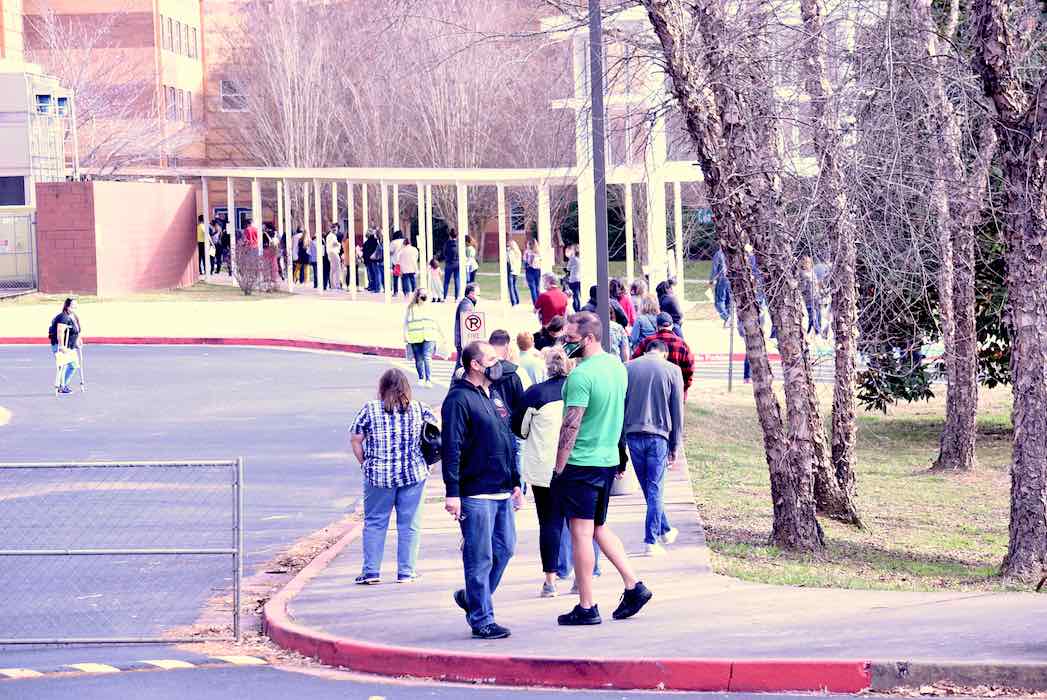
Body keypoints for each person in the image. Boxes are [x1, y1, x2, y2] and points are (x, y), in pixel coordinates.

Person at [553, 312, 652, 625]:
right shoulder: (615, 367)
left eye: (569, 340)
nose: (564, 345)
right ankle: (633, 585)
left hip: (581, 463)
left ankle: (586, 605)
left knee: (580, 533)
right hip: (607, 459)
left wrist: (558, 468)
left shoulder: (580, 377)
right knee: (597, 526)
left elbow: (571, 426)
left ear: (589, 338)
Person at [442, 341, 524, 640]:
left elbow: (507, 438)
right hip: (475, 492)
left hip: (502, 488)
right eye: (490, 359)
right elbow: (451, 446)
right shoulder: (458, 400)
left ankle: (474, 597)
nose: (497, 363)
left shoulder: (495, 395)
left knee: (505, 548)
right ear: (475, 365)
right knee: (480, 556)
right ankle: (481, 619)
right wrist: (452, 492)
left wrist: (516, 481)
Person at [350, 369, 435, 584]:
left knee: (375, 522)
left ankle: (371, 571)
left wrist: (364, 463)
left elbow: (356, 439)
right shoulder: (419, 409)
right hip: (413, 473)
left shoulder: (369, 409)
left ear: (382, 387)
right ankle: (406, 571)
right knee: (409, 523)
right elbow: (435, 435)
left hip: (378, 475)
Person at [512, 346, 571, 597]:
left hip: (544, 468)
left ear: (546, 368)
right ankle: (582, 575)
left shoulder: (535, 394)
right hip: (577, 465)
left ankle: (550, 580)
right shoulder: (578, 391)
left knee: (548, 522)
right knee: (581, 522)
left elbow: (519, 429)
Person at [624, 340, 684, 556]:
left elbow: (621, 404)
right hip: (658, 435)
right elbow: (677, 410)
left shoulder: (628, 367)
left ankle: (665, 529)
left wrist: (620, 442)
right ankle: (651, 540)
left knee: (650, 489)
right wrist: (676, 444)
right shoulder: (672, 370)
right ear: (664, 353)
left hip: (632, 434)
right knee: (655, 489)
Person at [632, 312, 695, 398]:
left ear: (657, 327)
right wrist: (682, 387)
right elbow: (689, 370)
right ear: (672, 326)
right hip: (675, 389)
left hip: (651, 391)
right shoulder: (683, 345)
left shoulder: (647, 342)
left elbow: (634, 362)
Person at [404, 289, 444, 387]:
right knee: (418, 359)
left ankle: (428, 379)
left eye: (426, 295)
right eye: (422, 295)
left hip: (429, 336)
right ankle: (421, 377)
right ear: (417, 296)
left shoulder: (430, 307)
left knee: (427, 357)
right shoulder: (411, 308)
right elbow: (406, 322)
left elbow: (437, 322)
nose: (424, 297)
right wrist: (405, 335)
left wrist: (442, 335)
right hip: (415, 337)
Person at [488, 329, 531, 416]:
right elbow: (528, 401)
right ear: (507, 346)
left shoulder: (480, 370)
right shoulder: (519, 372)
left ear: (489, 345)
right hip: (512, 424)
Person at [48, 297, 82, 395]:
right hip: (61, 346)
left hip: (70, 346)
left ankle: (63, 385)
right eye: (73, 305)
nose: (75, 306)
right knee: (63, 365)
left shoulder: (73, 316)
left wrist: (78, 340)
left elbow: (77, 330)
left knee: (74, 365)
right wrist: (62, 346)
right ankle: (61, 386)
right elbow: (60, 332)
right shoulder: (63, 317)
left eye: (76, 305)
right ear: (67, 306)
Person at [453, 283, 478, 369]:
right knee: (461, 365)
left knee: (461, 364)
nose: (478, 296)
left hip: (462, 340)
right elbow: (467, 325)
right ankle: (455, 381)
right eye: (477, 294)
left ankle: (456, 381)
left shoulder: (467, 303)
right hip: (463, 340)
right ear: (470, 293)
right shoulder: (466, 305)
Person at [709, 243, 732, 326]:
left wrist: (711, 280)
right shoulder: (731, 254)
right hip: (731, 279)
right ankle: (729, 321)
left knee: (719, 302)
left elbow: (714, 268)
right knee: (728, 301)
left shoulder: (719, 254)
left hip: (722, 279)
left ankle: (727, 318)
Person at [800, 255, 821, 336]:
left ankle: (816, 332)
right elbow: (802, 288)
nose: (808, 264)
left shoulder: (812, 272)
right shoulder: (802, 274)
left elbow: (816, 284)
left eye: (809, 262)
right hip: (809, 298)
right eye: (806, 263)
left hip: (816, 297)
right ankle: (814, 331)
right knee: (812, 315)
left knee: (818, 315)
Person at [523, 237, 542, 305]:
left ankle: (536, 304)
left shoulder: (527, 252)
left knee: (532, 288)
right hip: (538, 270)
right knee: (537, 288)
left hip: (530, 270)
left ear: (529, 245)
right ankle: (539, 303)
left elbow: (526, 262)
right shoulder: (539, 252)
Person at [442, 229, 460, 300]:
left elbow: (445, 253)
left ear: (450, 235)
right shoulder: (458, 244)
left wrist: (447, 258)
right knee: (457, 280)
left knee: (446, 281)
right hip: (457, 264)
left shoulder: (447, 243)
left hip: (449, 264)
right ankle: (456, 297)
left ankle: (445, 297)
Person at [565, 244, 582, 312]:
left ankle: (576, 309)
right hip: (580, 278)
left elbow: (568, 268)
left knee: (575, 296)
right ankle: (579, 308)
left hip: (573, 279)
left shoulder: (573, 259)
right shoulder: (580, 258)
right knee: (578, 295)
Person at [326, 225, 343, 291]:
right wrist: (339, 244)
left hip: (332, 253)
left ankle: (334, 285)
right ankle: (336, 285)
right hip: (333, 253)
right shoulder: (332, 236)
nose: (336, 231)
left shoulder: (330, 236)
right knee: (336, 269)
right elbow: (334, 244)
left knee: (333, 269)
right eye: (335, 230)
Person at [506, 240, 522, 306]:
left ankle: (513, 302)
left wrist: (507, 251)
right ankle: (517, 300)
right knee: (515, 286)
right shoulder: (518, 252)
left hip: (511, 270)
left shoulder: (511, 252)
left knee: (511, 287)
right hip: (516, 271)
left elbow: (510, 261)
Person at [390, 231, 405, 297]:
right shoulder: (404, 241)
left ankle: (395, 292)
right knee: (404, 277)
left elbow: (390, 251)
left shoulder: (393, 242)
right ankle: (405, 291)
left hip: (396, 262)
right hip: (404, 262)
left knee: (395, 277)